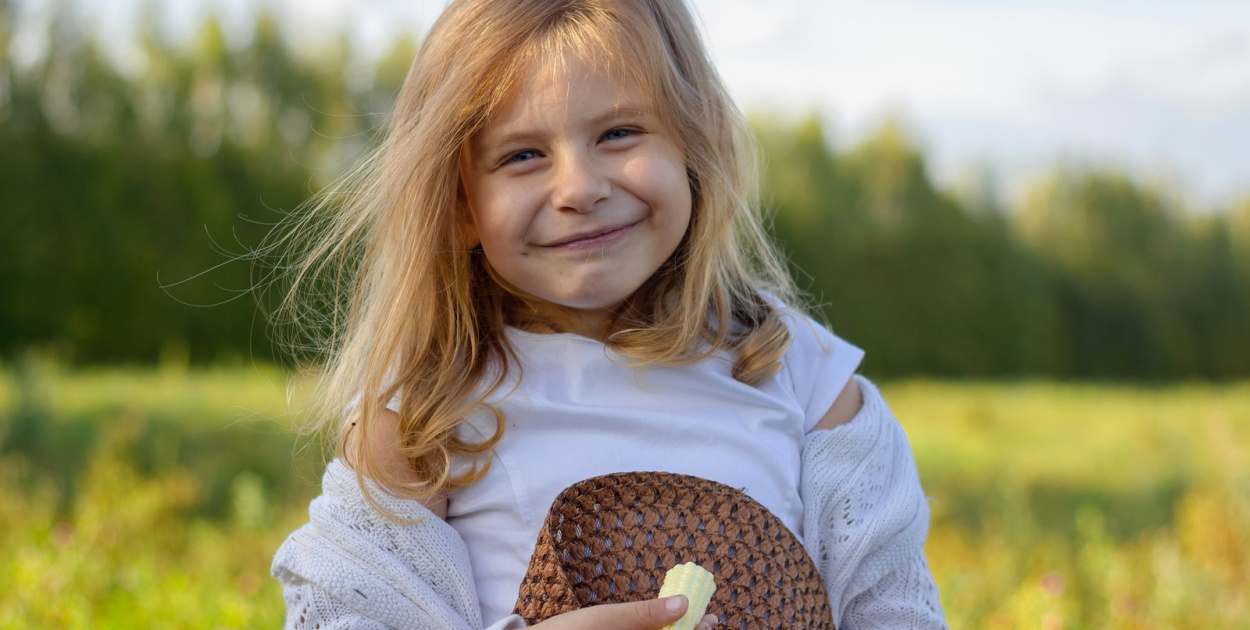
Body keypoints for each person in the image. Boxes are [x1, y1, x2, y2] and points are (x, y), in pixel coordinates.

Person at [271, 0, 947, 628]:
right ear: (459, 204)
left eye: (619, 133)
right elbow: (352, 614)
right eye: (523, 155)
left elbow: (894, 610)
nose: (580, 189)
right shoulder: (421, 418)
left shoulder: (808, 382)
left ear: (696, 142)